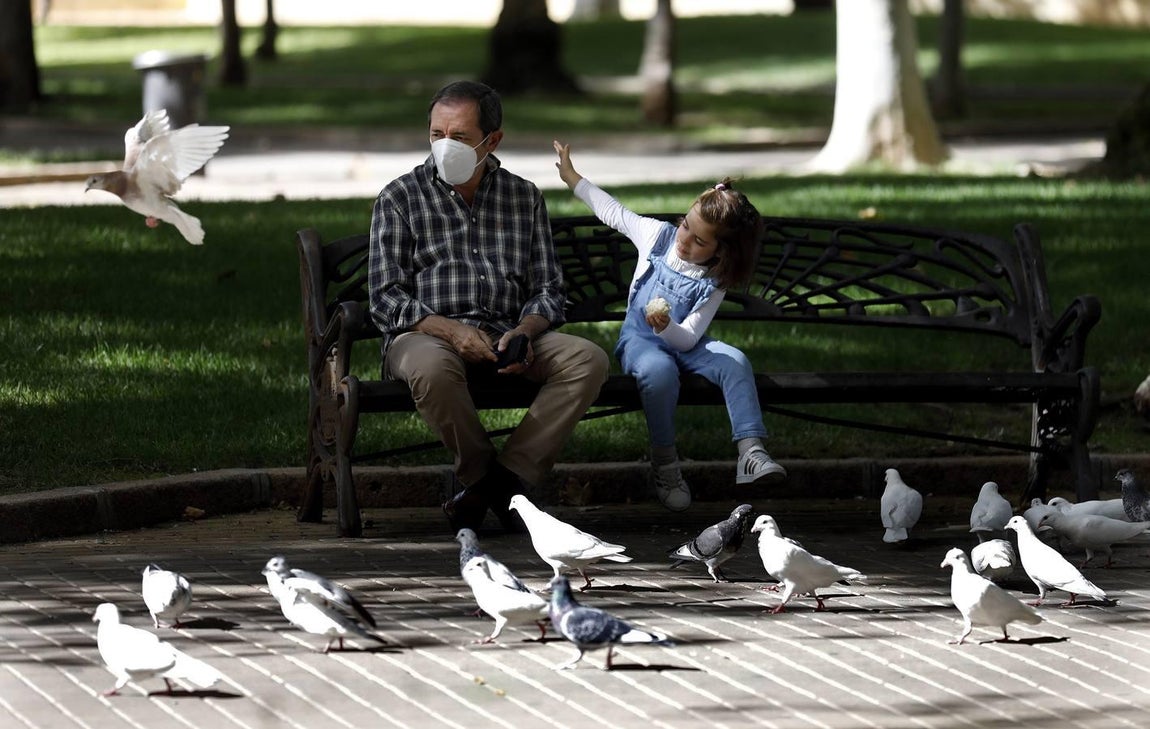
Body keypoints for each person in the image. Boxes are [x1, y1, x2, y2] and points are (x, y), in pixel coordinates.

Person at [367, 82, 609, 533]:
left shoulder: (523, 197)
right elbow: (386, 299)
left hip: (506, 333)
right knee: (432, 369)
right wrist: (453, 332)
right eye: (436, 133)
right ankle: (489, 481)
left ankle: (499, 483)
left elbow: (549, 289)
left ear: (491, 140)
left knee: (587, 359)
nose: (444, 145)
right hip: (425, 335)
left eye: (458, 137)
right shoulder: (399, 197)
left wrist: (526, 332)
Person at [553, 140, 787, 512]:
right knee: (659, 373)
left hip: (684, 341)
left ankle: (751, 451)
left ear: (720, 252)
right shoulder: (656, 237)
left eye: (699, 241)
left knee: (734, 361)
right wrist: (572, 177)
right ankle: (665, 461)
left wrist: (666, 328)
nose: (684, 240)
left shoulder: (716, 280)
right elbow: (612, 211)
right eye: (685, 226)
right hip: (641, 341)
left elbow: (690, 336)